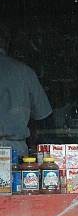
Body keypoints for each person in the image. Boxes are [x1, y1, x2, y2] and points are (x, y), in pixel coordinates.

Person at [0, 23, 52, 157]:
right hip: (14, 148)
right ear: (6, 42)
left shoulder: (25, 72)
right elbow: (43, 115)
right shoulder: (24, 72)